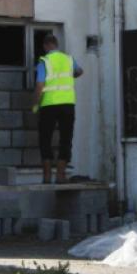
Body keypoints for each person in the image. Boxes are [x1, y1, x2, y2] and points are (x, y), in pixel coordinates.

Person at [33, 34, 83, 184]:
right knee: (66, 139)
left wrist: (36, 103)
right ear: (56, 44)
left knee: (45, 139)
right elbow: (80, 71)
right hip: (68, 104)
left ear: (45, 46)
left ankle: (47, 176)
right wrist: (70, 75)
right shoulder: (68, 59)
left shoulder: (44, 61)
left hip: (49, 105)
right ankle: (60, 176)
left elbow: (40, 85)